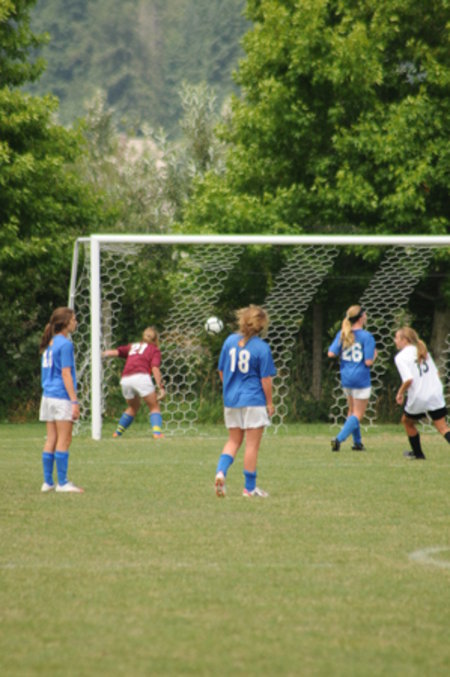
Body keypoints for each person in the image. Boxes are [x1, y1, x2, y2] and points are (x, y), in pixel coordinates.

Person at [214, 305, 276, 498]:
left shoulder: (229, 341)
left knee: (233, 440)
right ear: (261, 326)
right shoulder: (262, 348)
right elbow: (265, 380)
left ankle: (221, 472)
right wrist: (269, 403)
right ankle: (249, 488)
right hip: (253, 400)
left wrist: (230, 388)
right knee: (251, 445)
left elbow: (221, 370)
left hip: (231, 400)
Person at [39, 307, 84, 493]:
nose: (75, 322)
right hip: (60, 397)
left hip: (47, 396)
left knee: (51, 438)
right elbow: (66, 373)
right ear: (65, 323)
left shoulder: (50, 343)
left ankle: (48, 482)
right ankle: (63, 483)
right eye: (73, 319)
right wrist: (74, 401)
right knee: (64, 439)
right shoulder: (65, 344)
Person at [394, 326, 450, 460]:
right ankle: (417, 453)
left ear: (405, 339)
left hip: (419, 395)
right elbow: (436, 373)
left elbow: (408, 380)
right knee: (443, 427)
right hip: (435, 392)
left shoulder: (401, 357)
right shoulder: (422, 350)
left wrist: (400, 393)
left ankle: (418, 454)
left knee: (407, 422)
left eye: (396, 338)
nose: (395, 341)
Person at [328, 305, 377, 452]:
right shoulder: (367, 336)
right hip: (361, 378)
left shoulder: (343, 334)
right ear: (361, 318)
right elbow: (368, 362)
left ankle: (357, 443)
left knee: (352, 411)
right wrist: (374, 355)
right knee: (358, 414)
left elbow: (331, 353)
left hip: (346, 377)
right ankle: (338, 439)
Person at [102, 327, 165, 439]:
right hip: (141, 377)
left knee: (133, 406)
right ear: (156, 339)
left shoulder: (133, 346)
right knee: (154, 406)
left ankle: (117, 433)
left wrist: (102, 354)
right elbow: (155, 368)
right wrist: (161, 387)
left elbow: (116, 352)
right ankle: (157, 433)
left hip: (126, 379)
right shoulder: (154, 350)